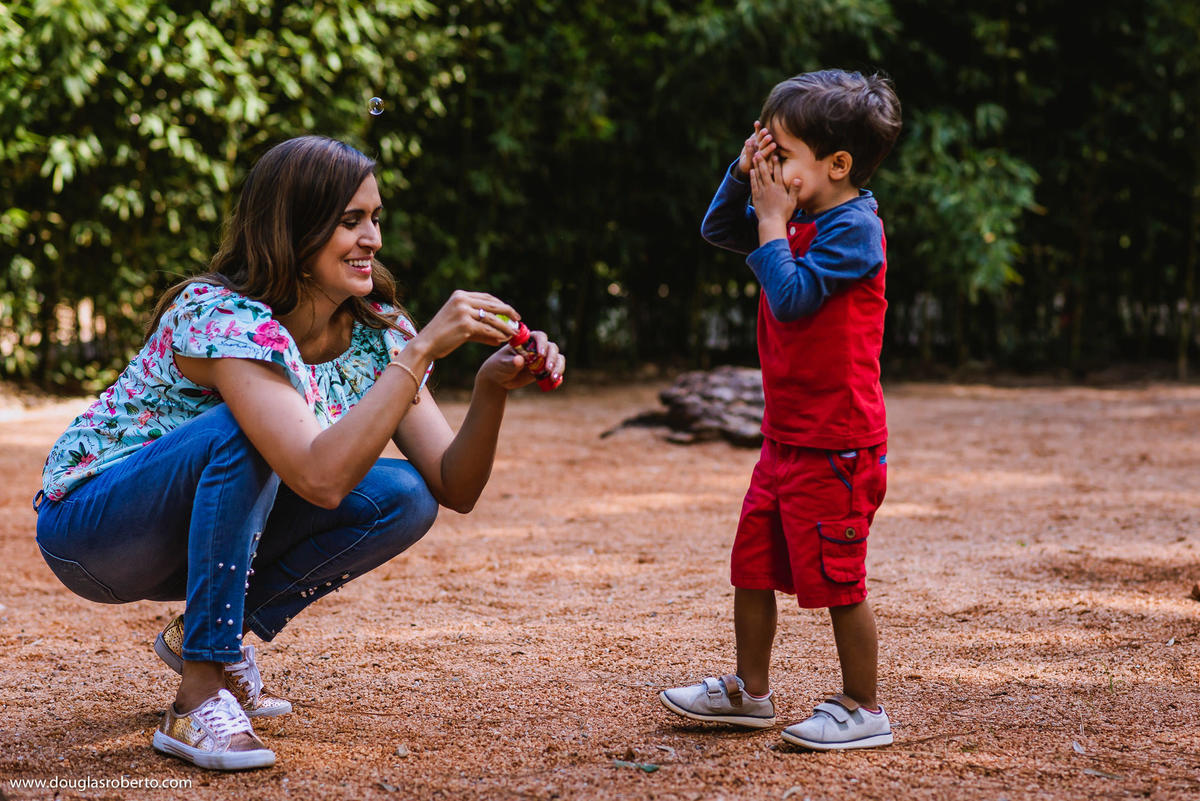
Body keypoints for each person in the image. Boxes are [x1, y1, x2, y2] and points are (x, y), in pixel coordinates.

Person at [33, 135, 565, 771]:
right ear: (292, 230)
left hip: (202, 535)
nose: (371, 238)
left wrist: (489, 387)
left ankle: (210, 636)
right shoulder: (223, 317)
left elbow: (455, 486)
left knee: (405, 495)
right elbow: (317, 478)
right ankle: (197, 697)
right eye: (349, 222)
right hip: (96, 528)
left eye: (375, 219)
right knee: (243, 429)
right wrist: (420, 351)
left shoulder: (373, 334)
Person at [658, 70, 901, 750]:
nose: (770, 168)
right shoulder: (792, 216)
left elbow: (792, 301)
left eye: (780, 155)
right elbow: (715, 227)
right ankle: (750, 690)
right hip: (786, 437)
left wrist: (770, 221)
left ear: (837, 164)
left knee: (840, 580)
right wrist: (743, 178)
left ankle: (863, 705)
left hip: (839, 443)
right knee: (753, 564)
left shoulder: (855, 230)